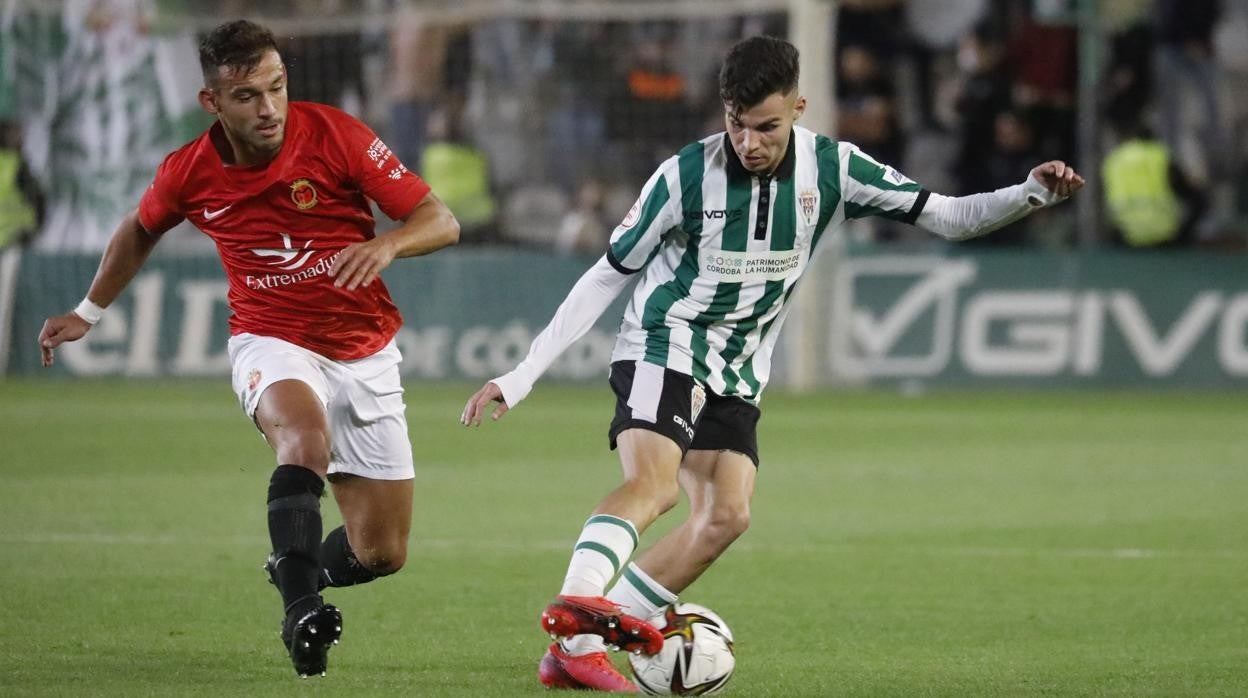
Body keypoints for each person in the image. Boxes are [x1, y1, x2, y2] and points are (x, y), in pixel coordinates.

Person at [461, 35, 1082, 693]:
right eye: (736, 123)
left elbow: (949, 217)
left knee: (727, 516)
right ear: (722, 112)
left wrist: (1029, 194)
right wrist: (522, 373)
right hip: (664, 342)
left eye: (766, 126)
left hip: (738, 369)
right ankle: (578, 613)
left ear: (799, 108)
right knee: (657, 484)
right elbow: (606, 276)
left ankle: (580, 645)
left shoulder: (836, 169)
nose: (749, 141)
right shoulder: (684, 176)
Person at [36, 20, 460, 678]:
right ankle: (301, 611)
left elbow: (442, 219)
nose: (268, 109)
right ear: (213, 102)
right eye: (247, 96)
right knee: (305, 440)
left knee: (383, 552)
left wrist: (387, 243)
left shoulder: (337, 135)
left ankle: (289, 566)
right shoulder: (189, 172)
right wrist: (90, 310)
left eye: (277, 88)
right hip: (271, 337)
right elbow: (138, 229)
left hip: (363, 348)